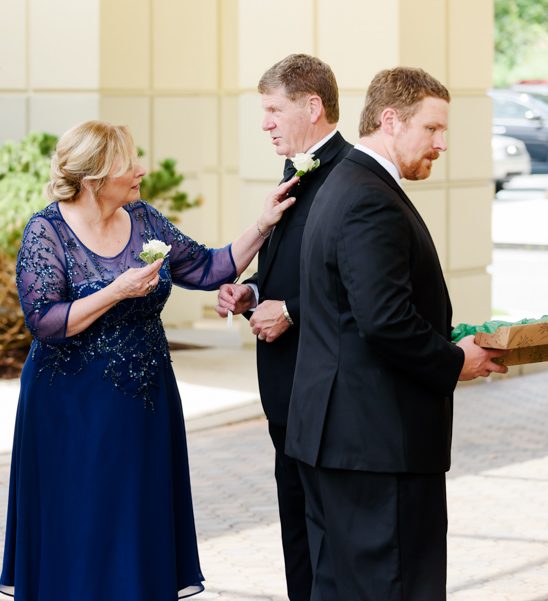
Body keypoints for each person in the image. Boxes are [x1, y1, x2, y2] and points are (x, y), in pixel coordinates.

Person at [0, 120, 298, 601]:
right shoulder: (46, 231)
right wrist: (115, 291)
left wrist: (262, 224)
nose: (142, 170)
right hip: (70, 409)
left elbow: (208, 267)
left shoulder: (144, 219)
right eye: (128, 163)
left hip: (144, 403)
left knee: (137, 516)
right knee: (82, 520)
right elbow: (44, 322)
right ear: (95, 177)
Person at [285, 67, 507, 600]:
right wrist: (456, 362)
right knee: (396, 588)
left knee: (340, 588)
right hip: (377, 447)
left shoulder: (343, 184)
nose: (442, 144)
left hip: (339, 441)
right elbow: (384, 319)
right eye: (432, 129)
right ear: (390, 119)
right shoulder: (367, 196)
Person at [214, 54, 353, 601]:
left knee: (326, 532)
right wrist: (251, 288)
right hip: (285, 393)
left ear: (312, 106)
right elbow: (299, 261)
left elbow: (358, 282)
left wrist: (291, 309)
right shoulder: (297, 169)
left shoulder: (350, 174)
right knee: (295, 528)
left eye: (274, 109)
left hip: (324, 393)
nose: (265, 122)